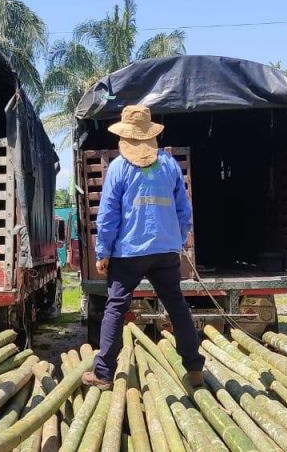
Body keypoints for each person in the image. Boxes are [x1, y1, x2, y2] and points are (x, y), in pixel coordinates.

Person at [83, 105, 205, 390]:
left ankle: (103, 374)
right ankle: (195, 369)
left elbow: (109, 215)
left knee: (115, 308)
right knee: (176, 306)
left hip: (129, 254)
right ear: (150, 136)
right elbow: (183, 210)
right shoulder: (169, 164)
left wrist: (103, 253)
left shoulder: (118, 168)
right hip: (165, 252)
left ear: (125, 137)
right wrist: (176, 239)